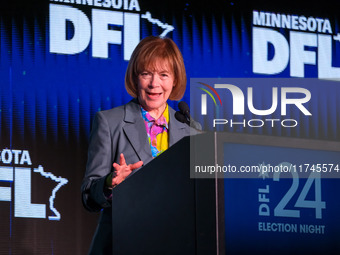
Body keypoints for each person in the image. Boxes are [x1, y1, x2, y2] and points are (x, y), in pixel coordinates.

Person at [81, 36, 195, 254]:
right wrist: (109, 183)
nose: (154, 83)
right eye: (146, 74)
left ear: (175, 80)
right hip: (122, 243)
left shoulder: (191, 130)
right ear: (135, 78)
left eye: (163, 75)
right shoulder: (109, 122)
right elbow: (88, 196)